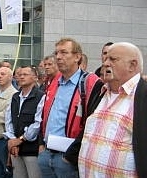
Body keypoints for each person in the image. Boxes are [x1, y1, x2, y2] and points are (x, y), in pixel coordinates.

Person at [78, 42, 147, 177]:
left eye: (113, 59)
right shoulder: (100, 93)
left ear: (132, 65)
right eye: (106, 58)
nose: (105, 63)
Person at [38, 38, 102, 178]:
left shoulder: (90, 83)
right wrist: (41, 145)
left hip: (68, 159)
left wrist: (70, 156)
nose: (58, 57)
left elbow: (92, 123)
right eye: (56, 53)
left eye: (64, 52)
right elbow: (44, 115)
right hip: (46, 153)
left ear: (77, 57)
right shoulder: (54, 83)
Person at [5, 66, 45, 178]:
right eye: (20, 74)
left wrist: (20, 140)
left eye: (25, 74)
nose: (21, 76)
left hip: (31, 149)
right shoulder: (15, 97)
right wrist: (12, 140)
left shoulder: (40, 96)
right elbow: (9, 120)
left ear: (35, 77)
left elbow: (38, 123)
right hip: (15, 150)